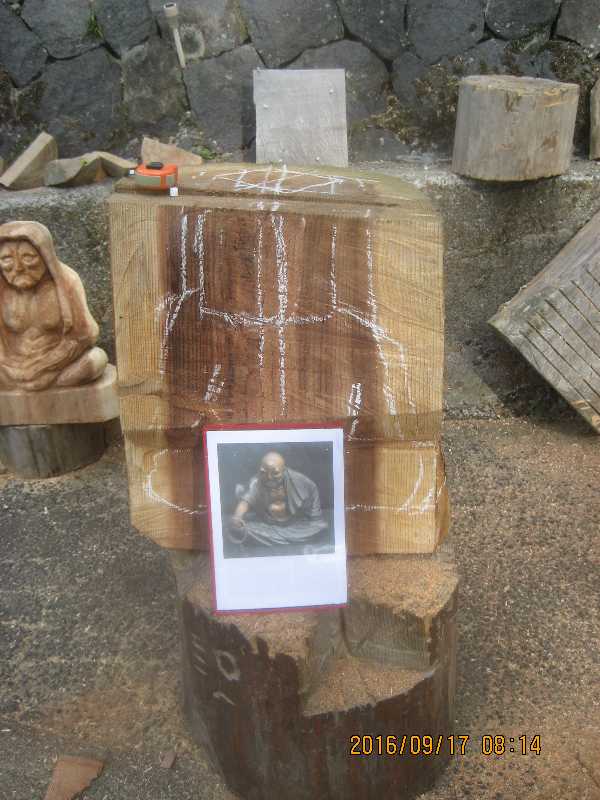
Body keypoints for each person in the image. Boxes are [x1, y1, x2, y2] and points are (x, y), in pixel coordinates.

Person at [0, 221, 107, 391]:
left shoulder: (67, 281)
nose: (18, 268)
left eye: (28, 257)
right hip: (10, 369)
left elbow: (86, 334)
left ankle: (45, 384)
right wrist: (11, 368)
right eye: (7, 259)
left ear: (45, 255)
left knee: (96, 359)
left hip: (57, 366)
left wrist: (45, 366)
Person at [229, 451, 328, 547]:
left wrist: (315, 517)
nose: (269, 477)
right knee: (244, 530)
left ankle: (281, 537)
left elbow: (312, 491)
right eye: (264, 472)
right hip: (267, 525)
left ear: (284, 470)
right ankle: (280, 538)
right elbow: (245, 501)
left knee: (319, 528)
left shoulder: (300, 481)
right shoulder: (257, 481)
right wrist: (237, 517)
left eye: (275, 473)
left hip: (296, 524)